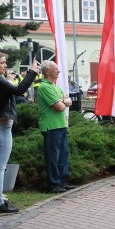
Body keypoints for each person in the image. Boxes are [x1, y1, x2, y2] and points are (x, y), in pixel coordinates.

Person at [0, 56, 38, 212]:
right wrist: (32, 72)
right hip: (2, 128)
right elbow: (19, 90)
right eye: (2, 62)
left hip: (4, 126)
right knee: (1, 167)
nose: (5, 65)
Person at [37, 60, 75, 193]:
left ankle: (62, 181)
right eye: (56, 69)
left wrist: (64, 101)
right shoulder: (44, 87)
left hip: (60, 126)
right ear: (47, 71)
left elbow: (69, 101)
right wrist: (64, 101)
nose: (58, 71)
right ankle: (54, 184)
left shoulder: (55, 86)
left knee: (63, 154)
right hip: (50, 127)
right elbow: (59, 107)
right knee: (53, 157)